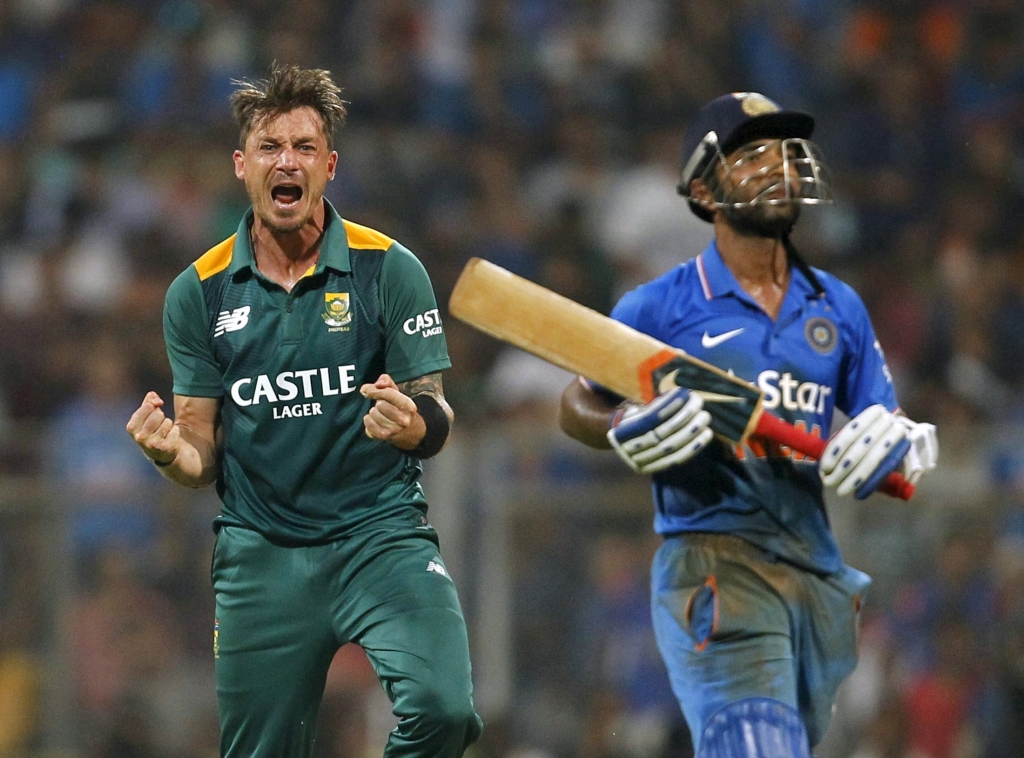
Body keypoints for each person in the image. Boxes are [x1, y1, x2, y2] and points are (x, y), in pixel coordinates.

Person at [558, 92, 939, 757]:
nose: (779, 168)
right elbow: (577, 401)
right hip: (713, 558)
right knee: (755, 742)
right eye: (754, 155)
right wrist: (623, 419)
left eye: (787, 154)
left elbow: (885, 417)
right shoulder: (660, 307)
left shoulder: (837, 306)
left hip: (815, 572)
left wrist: (904, 439)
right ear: (704, 188)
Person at [125, 63, 482, 757]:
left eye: (304, 147)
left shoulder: (391, 268)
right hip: (263, 553)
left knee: (446, 712)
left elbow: (436, 412)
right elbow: (201, 448)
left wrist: (413, 424)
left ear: (329, 166)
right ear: (241, 164)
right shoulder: (196, 293)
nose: (286, 160)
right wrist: (171, 454)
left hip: (379, 537)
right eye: (269, 146)